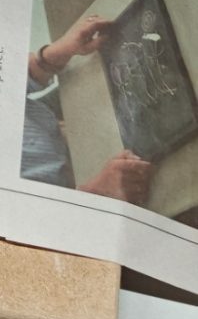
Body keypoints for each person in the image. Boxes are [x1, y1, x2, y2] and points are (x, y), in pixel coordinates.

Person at [21, 13, 153, 204]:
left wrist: (52, 55)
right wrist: (94, 193)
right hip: (66, 194)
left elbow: (1, 83)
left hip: (49, 126)